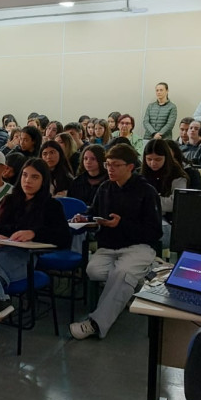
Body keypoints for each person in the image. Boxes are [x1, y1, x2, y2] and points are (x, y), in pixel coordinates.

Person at [0, 158, 71, 356]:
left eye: (34, 177)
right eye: (24, 175)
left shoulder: (51, 206)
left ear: (43, 181)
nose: (27, 180)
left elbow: (63, 237)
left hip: (22, 256)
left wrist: (33, 233)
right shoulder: (9, 200)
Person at [69, 144, 162, 340]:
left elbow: (155, 232)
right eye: (108, 164)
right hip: (109, 246)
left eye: (115, 165)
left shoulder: (146, 191)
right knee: (93, 271)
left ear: (130, 167)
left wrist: (122, 224)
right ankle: (138, 279)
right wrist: (84, 218)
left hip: (138, 246)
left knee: (122, 273)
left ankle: (94, 323)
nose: (109, 169)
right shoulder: (105, 187)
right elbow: (94, 212)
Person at [141, 139, 187, 219]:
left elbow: (175, 202)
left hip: (169, 219)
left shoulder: (177, 174)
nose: (153, 163)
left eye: (158, 159)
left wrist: (148, 200)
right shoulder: (140, 173)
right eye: (149, 159)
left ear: (167, 158)